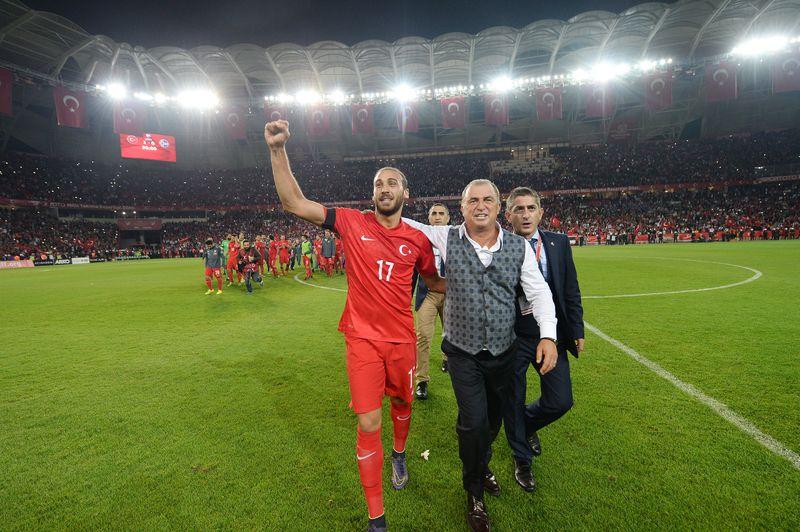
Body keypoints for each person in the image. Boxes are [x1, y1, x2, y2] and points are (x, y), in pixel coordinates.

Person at [265, 119, 444, 532]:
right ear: (373, 192)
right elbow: (294, 202)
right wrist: (277, 149)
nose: (385, 188)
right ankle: (376, 520)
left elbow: (434, 282)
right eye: (379, 183)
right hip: (362, 340)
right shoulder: (350, 222)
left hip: (402, 342)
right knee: (367, 422)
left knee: (402, 405)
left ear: (405, 194)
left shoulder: (418, 241)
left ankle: (399, 454)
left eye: (393, 183)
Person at [403, 179, 557, 532]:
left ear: (498, 206)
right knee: (473, 422)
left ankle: (481, 463)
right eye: (473, 200)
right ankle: (473, 492)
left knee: (492, 422)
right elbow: (408, 224)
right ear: (462, 207)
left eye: (488, 199)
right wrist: (376, 210)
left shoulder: (518, 248)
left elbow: (540, 293)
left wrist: (548, 335)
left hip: (504, 352)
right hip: (462, 353)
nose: (481, 205)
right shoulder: (446, 238)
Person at [497, 187, 585, 492]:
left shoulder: (558, 243)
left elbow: (570, 289)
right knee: (513, 396)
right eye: (518, 209)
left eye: (531, 208)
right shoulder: (499, 245)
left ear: (540, 212)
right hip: (513, 337)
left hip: (551, 336)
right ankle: (522, 459)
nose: (525, 214)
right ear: (508, 215)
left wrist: (577, 329)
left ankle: (524, 425)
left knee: (560, 401)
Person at [413, 203, 450, 400]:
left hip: (451, 294)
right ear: (428, 218)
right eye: (433, 214)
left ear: (448, 218)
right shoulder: (420, 238)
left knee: (450, 334)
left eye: (441, 214)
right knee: (423, 337)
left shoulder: (455, 238)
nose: (437, 217)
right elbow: (411, 270)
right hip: (426, 294)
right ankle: (422, 381)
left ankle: (447, 358)